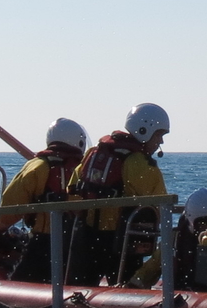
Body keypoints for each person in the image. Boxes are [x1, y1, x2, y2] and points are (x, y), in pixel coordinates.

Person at [69, 103, 170, 285]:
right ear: (144, 131)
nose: (160, 142)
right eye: (159, 135)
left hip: (87, 238)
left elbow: (72, 190)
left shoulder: (93, 153)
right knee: (126, 292)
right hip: (123, 243)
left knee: (80, 289)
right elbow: (160, 207)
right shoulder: (141, 164)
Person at [0, 118, 88, 283]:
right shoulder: (86, 167)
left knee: (19, 286)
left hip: (44, 243)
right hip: (81, 242)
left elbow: (12, 204)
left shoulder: (37, 166)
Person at [128, 187, 207, 288]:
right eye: (203, 224)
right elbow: (150, 270)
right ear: (191, 222)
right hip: (182, 292)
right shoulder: (174, 240)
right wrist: (133, 285)